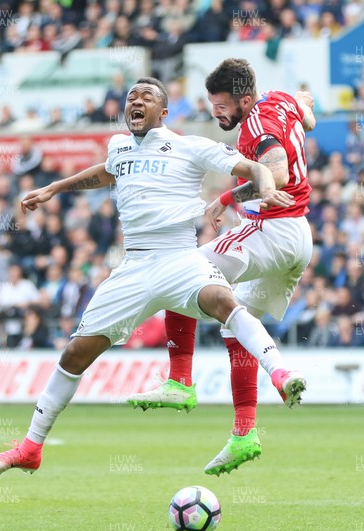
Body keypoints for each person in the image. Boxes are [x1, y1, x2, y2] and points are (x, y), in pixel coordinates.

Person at [0, 76, 303, 475]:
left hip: (178, 257)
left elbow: (254, 167)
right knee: (75, 353)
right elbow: (106, 172)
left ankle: (280, 372)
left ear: (163, 111)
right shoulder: (118, 146)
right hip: (133, 268)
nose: (136, 100)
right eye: (131, 95)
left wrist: (267, 185)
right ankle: (30, 448)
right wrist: (53, 188)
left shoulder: (189, 146)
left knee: (224, 302)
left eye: (146, 96)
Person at [126, 59, 315, 477]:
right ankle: (245, 433)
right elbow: (308, 106)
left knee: (182, 270)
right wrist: (299, 117)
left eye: (222, 106)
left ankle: (179, 381)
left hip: (271, 228)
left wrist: (227, 198)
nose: (217, 113)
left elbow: (278, 173)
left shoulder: (257, 125)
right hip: (300, 235)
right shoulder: (281, 101)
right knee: (233, 328)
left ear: (244, 100)